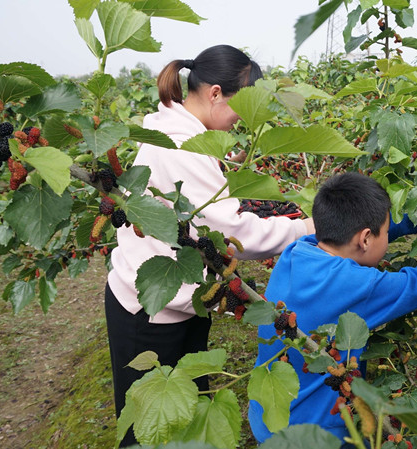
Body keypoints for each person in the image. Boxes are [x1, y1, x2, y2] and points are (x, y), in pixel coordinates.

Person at [104, 45, 314, 447]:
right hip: (148, 310)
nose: (242, 119)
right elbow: (235, 233)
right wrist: (304, 226)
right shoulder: (183, 146)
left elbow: (201, 202)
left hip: (181, 299)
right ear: (215, 93)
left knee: (185, 409)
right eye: (243, 105)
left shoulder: (185, 135)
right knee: (147, 429)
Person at [249, 172, 417, 443]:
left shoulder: (298, 251)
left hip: (268, 416)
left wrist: (415, 220)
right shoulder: (357, 285)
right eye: (382, 231)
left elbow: (360, 235)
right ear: (366, 238)